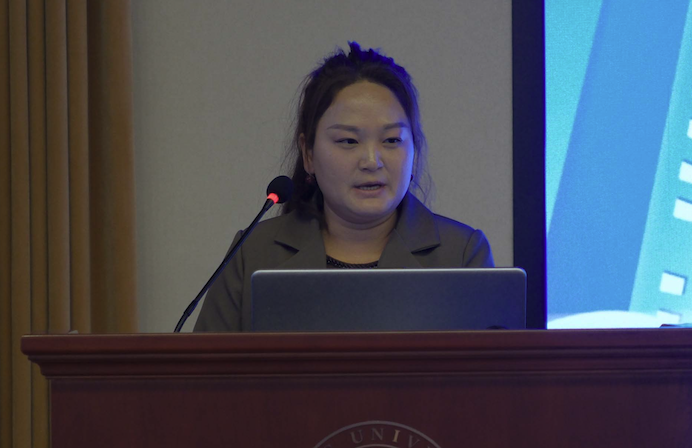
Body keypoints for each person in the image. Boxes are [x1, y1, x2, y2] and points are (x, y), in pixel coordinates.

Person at [192, 42, 494, 332]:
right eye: (348, 141)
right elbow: (206, 367)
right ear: (308, 154)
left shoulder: (461, 255)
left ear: (413, 151)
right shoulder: (253, 254)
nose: (372, 161)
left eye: (392, 140)